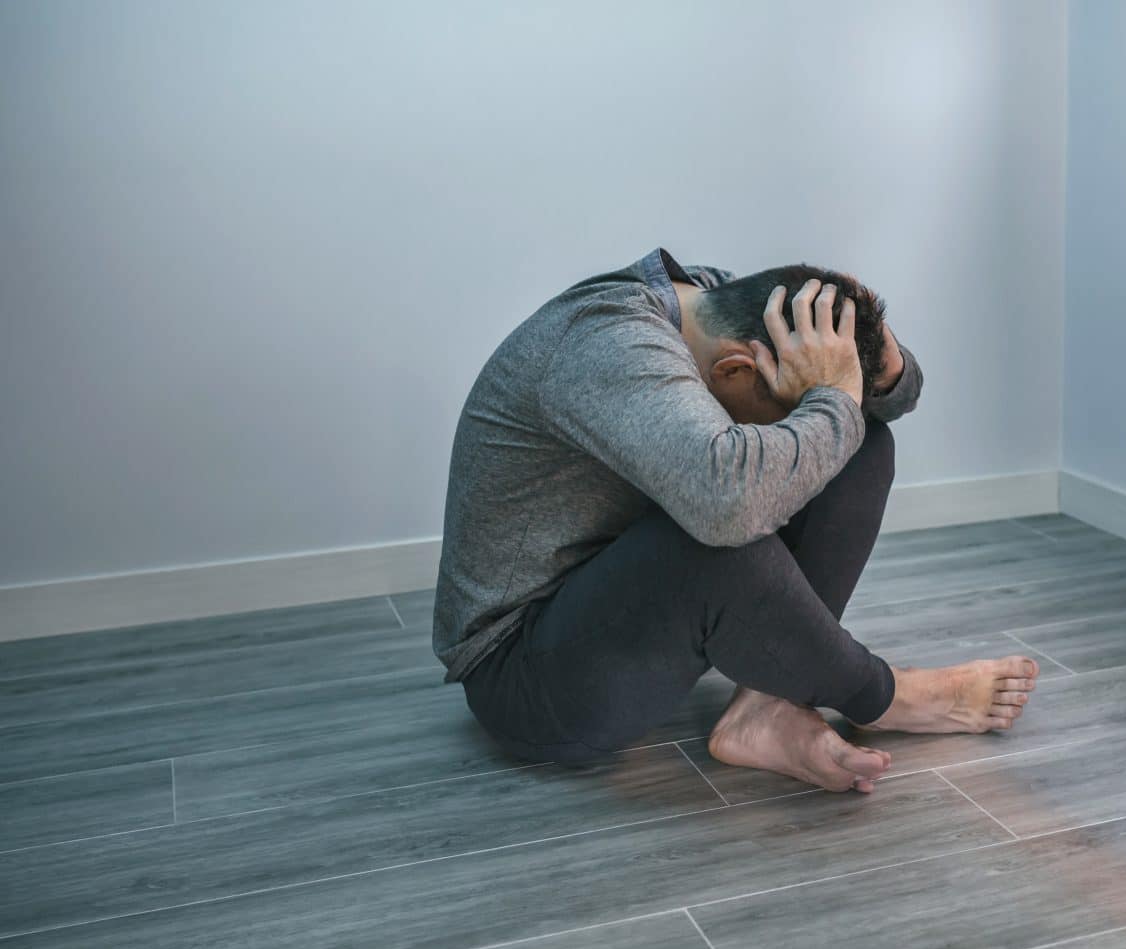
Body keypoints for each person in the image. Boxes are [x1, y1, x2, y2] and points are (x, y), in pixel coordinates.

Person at [431, 247, 1038, 793]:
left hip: (615, 607)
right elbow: (726, 510)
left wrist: (880, 362)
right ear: (734, 373)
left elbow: (888, 402)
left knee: (861, 443)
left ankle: (766, 707)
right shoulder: (610, 347)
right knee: (719, 535)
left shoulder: (720, 304)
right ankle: (886, 696)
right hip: (524, 676)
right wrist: (832, 404)